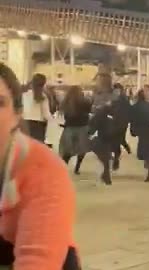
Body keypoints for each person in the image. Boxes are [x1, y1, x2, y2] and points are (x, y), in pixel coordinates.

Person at [0, 63, 80, 269]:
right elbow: (47, 115)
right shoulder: (41, 98)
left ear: (16, 113)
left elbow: (37, 259)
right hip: (37, 127)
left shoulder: (44, 171)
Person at [59, 85, 92, 175]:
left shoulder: (66, 102)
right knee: (82, 149)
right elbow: (90, 110)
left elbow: (63, 115)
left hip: (69, 128)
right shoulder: (85, 101)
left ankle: (63, 167)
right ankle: (77, 168)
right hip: (82, 127)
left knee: (67, 150)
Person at [22, 73, 52, 143]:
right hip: (38, 127)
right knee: (36, 149)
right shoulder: (43, 97)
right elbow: (46, 115)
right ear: (43, 84)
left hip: (25, 124)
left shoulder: (24, 95)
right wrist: (52, 119)